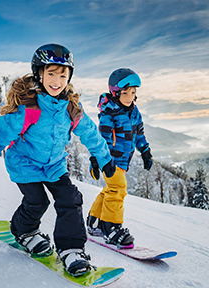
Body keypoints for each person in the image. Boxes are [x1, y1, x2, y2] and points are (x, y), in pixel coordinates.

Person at [0, 44, 115, 276]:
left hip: (54, 166)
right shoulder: (27, 108)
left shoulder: (70, 108)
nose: (57, 80)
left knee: (70, 199)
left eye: (63, 75)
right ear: (39, 74)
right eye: (51, 73)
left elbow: (90, 134)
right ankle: (24, 231)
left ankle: (71, 250)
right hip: (25, 165)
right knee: (37, 201)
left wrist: (104, 158)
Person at [87, 68, 153, 247]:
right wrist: (96, 160)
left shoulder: (133, 111)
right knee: (118, 190)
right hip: (111, 161)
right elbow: (102, 140)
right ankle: (111, 228)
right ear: (115, 93)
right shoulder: (110, 114)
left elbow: (139, 133)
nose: (129, 97)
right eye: (125, 93)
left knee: (110, 190)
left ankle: (94, 221)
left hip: (124, 161)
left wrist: (145, 151)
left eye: (133, 92)